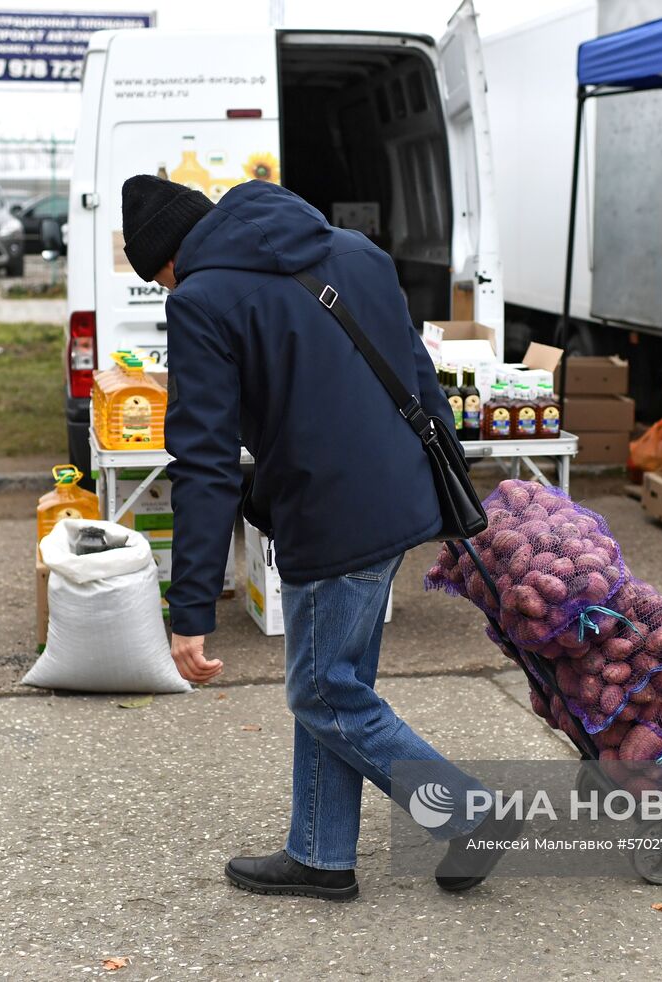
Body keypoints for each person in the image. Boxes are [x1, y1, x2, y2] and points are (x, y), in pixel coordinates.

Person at [119, 175, 520, 902]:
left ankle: (470, 815)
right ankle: (321, 851)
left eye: (162, 276)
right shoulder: (358, 254)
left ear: (170, 261)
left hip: (330, 512)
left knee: (323, 694)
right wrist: (454, 497)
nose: (170, 287)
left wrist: (191, 611)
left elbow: (204, 463)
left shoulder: (202, 300)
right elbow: (419, 376)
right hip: (398, 497)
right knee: (338, 681)